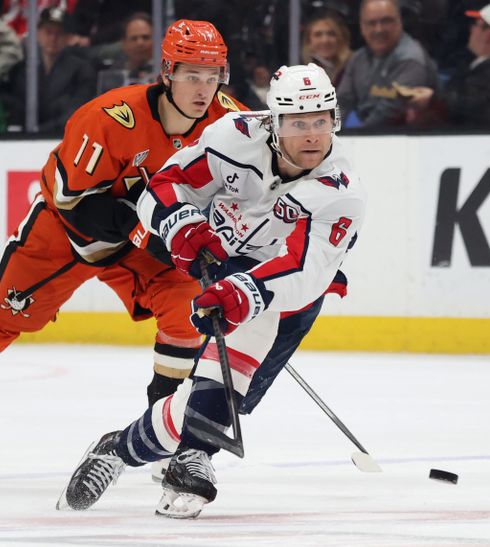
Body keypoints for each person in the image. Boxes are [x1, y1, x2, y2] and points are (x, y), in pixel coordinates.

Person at [0, 20, 244, 467]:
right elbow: (73, 203)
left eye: (212, 76)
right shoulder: (109, 118)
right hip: (68, 233)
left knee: (187, 312)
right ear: (167, 72)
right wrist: (149, 231)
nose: (203, 88)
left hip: (145, 240)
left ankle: (156, 435)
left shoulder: (229, 122)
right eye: (192, 75)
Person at [57, 63, 365, 519]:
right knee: (219, 392)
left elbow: (303, 270)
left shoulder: (340, 190)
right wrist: (181, 227)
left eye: (321, 121)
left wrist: (242, 290)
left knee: (232, 398)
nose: (312, 135)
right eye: (299, 123)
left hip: (292, 293)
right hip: (221, 259)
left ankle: (117, 449)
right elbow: (163, 186)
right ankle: (192, 458)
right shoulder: (234, 137)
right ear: (273, 122)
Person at [408, 3, 490, 127]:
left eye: (476, 25)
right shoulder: (477, 63)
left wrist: (434, 99)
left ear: (488, 34)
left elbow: (477, 107)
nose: (471, 29)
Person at [337, 0, 438, 128]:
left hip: (403, 138)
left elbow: (388, 114)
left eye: (386, 21)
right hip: (366, 135)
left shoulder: (411, 60)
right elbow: (342, 102)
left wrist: (355, 138)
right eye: (371, 23)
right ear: (362, 27)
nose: (379, 29)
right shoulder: (357, 59)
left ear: (399, 22)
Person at [4, 6, 96, 132]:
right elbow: (15, 104)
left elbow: (76, 112)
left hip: (62, 137)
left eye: (60, 33)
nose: (53, 39)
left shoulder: (82, 70)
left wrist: (40, 131)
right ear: (38, 33)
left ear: (69, 37)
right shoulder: (22, 68)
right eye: (48, 32)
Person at [95, 12, 154, 94]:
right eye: (134, 38)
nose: (140, 43)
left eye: (145, 37)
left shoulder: (165, 71)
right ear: (124, 44)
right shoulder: (114, 74)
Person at [301, 9, 352, 88]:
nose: (325, 40)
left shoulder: (354, 66)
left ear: (341, 37)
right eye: (318, 35)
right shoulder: (299, 71)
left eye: (331, 34)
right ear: (309, 40)